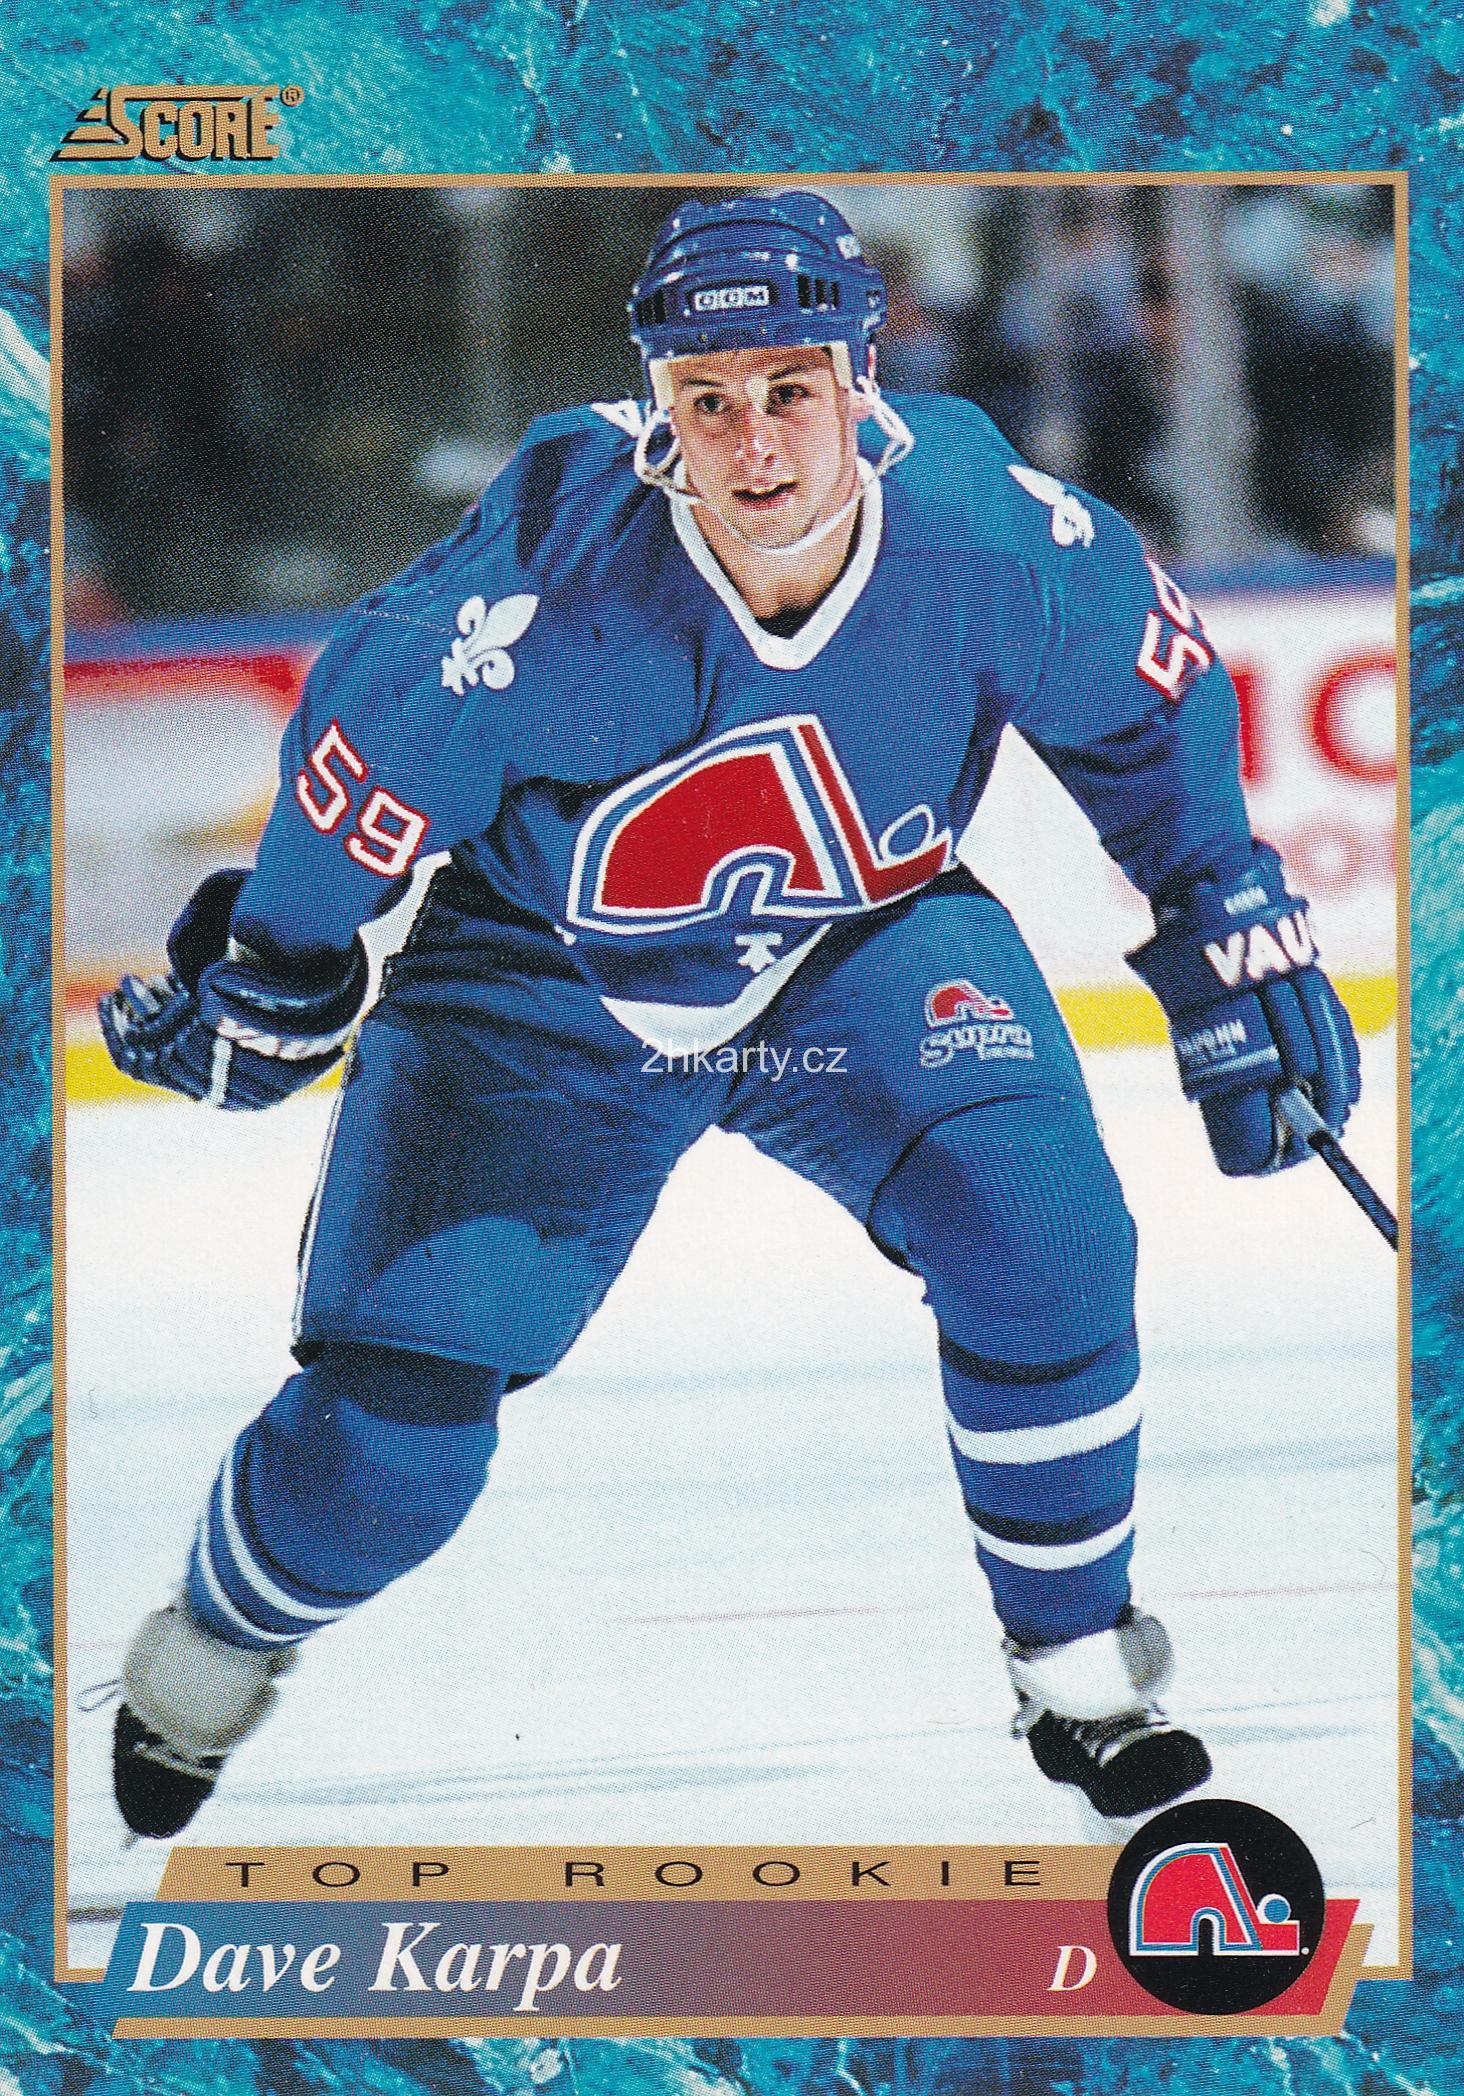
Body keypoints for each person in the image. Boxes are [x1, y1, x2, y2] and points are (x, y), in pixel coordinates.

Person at [99, 191, 1360, 1840]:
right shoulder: (530, 595)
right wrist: (275, 974)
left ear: (862, 380)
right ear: (659, 406)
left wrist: (1226, 920)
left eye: (787, 390)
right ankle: (210, 1647)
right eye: (706, 400)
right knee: (389, 1445)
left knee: (1049, 1238)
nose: (752, 445)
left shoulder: (988, 534)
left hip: (863, 947)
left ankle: (1079, 1672)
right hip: (544, 986)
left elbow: (1151, 710)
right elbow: (348, 799)